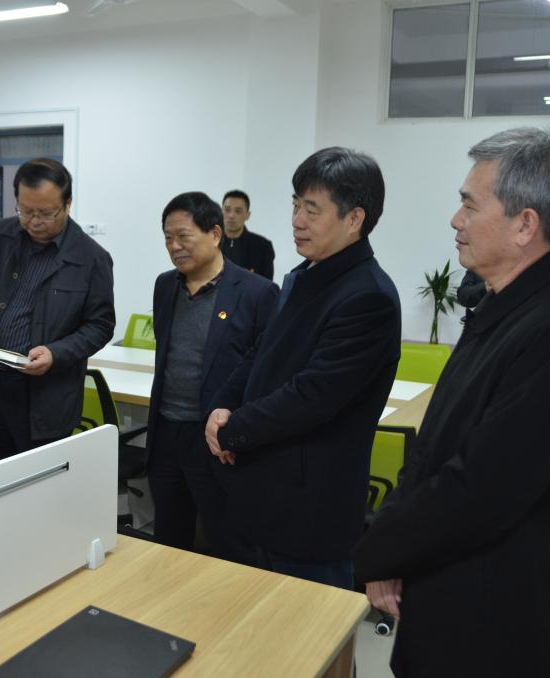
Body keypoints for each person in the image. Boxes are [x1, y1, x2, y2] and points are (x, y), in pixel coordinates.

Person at [354, 128, 550, 677]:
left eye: (469, 205)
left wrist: (378, 548)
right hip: (448, 603)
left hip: (499, 631)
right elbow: (433, 450)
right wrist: (394, 551)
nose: (455, 220)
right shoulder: (505, 310)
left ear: (525, 225)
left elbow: (477, 489)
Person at [204, 147, 401, 589]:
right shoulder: (304, 275)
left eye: (312, 210)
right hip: (261, 492)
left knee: (309, 628)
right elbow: (261, 352)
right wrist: (221, 406)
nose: (296, 220)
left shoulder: (368, 297)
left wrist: (233, 430)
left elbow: (311, 397)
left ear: (354, 219)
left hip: (309, 511)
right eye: (295, 205)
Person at [0, 158, 115, 465]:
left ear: (68, 204)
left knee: (37, 484)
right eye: (25, 211)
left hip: (46, 397)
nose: (34, 222)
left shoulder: (91, 258)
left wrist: (56, 353)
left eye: (46, 213)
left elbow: (100, 325)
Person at [148, 191, 277, 563]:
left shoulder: (257, 293)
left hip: (218, 438)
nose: (174, 246)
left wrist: (238, 426)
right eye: (168, 238)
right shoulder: (165, 286)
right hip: (167, 433)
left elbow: (265, 371)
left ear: (215, 234)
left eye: (183, 236)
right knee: (168, 540)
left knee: (229, 543)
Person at [220, 189, 275, 280]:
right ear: (221, 212)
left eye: (238, 211)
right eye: (227, 210)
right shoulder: (210, 243)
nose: (231, 215)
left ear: (247, 215)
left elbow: (267, 284)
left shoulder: (262, 247)